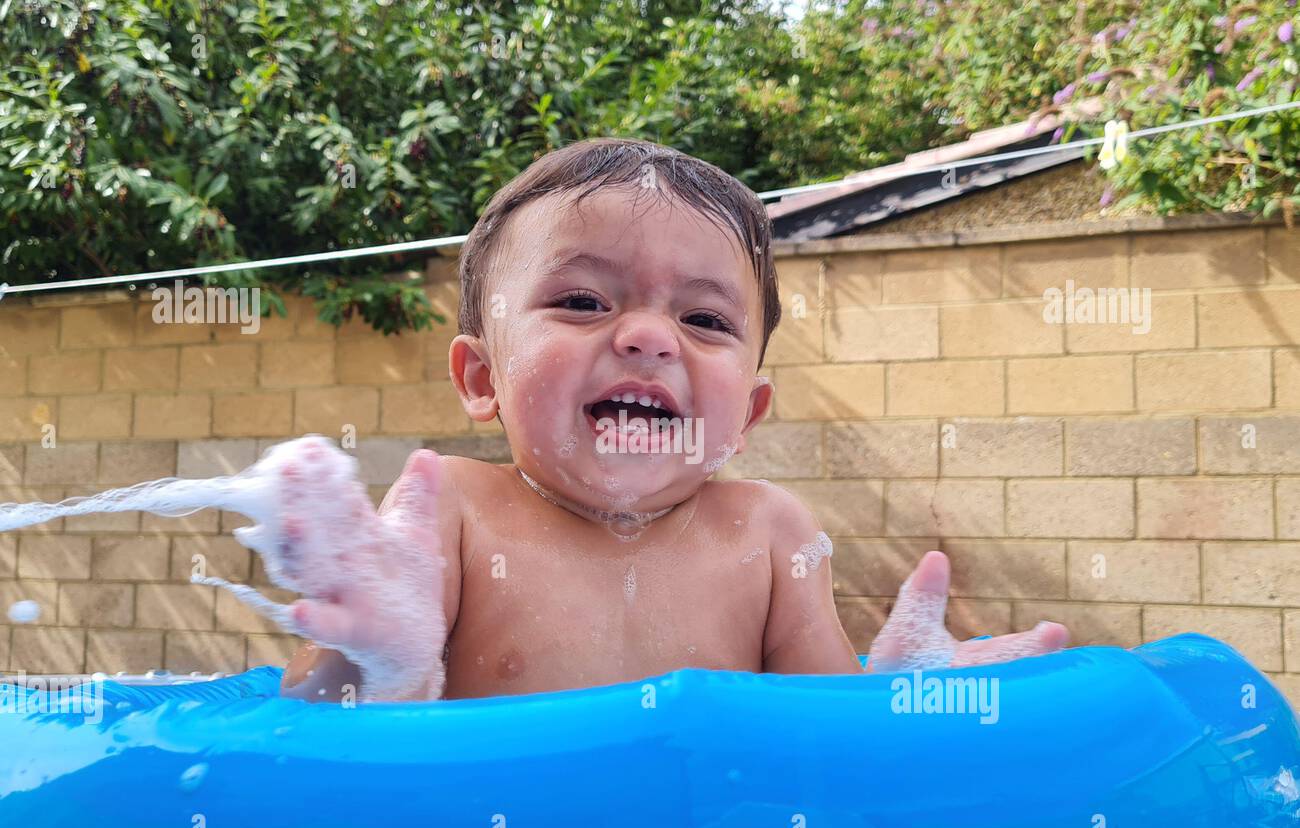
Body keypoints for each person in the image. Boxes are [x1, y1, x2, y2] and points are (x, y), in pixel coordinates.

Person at [279, 138, 1069, 702]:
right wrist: (368, 662)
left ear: (748, 414)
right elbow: (317, 732)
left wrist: (901, 703)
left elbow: (831, 749)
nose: (650, 336)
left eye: (705, 319)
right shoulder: (450, 509)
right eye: (583, 301)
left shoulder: (768, 535)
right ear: (482, 377)